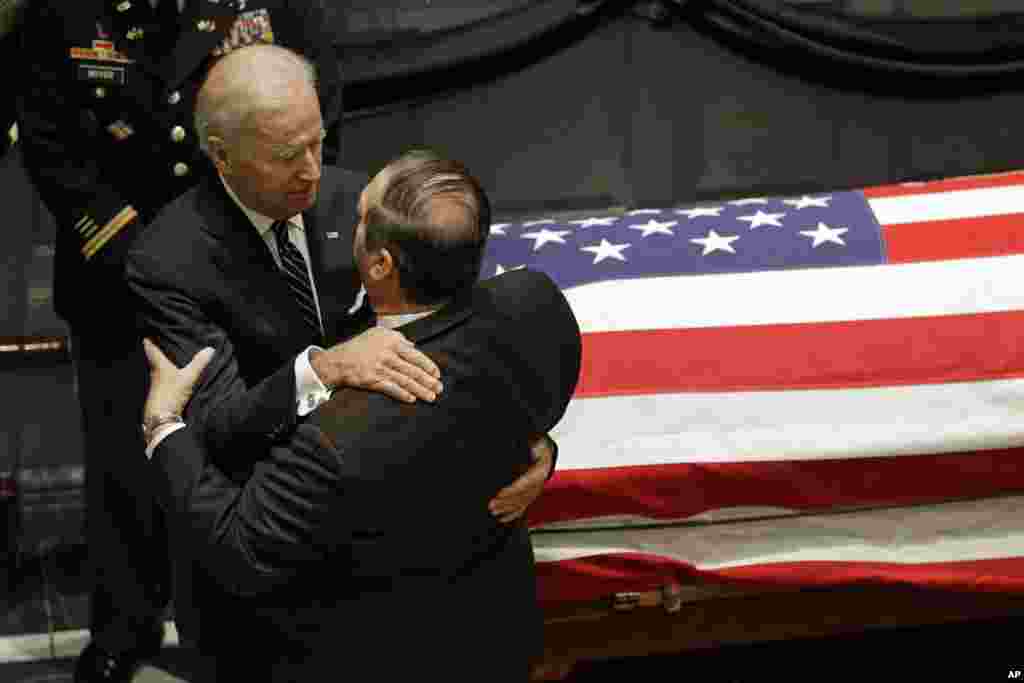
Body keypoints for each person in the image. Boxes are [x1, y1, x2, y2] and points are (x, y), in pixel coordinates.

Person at [124, 43, 558, 660]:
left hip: (420, 594)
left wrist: (530, 443)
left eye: (316, 141)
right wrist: (319, 369)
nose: (311, 169)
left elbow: (472, 339)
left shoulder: (366, 207)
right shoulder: (169, 261)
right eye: (285, 155)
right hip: (276, 593)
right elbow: (218, 434)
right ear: (221, 155)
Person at [14, 2, 341, 680]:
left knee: (249, 442)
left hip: (242, 265)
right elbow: (47, 137)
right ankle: (123, 625)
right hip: (113, 273)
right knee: (123, 467)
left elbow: (315, 94)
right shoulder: (64, 11)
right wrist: (145, 258)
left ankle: (248, 626)